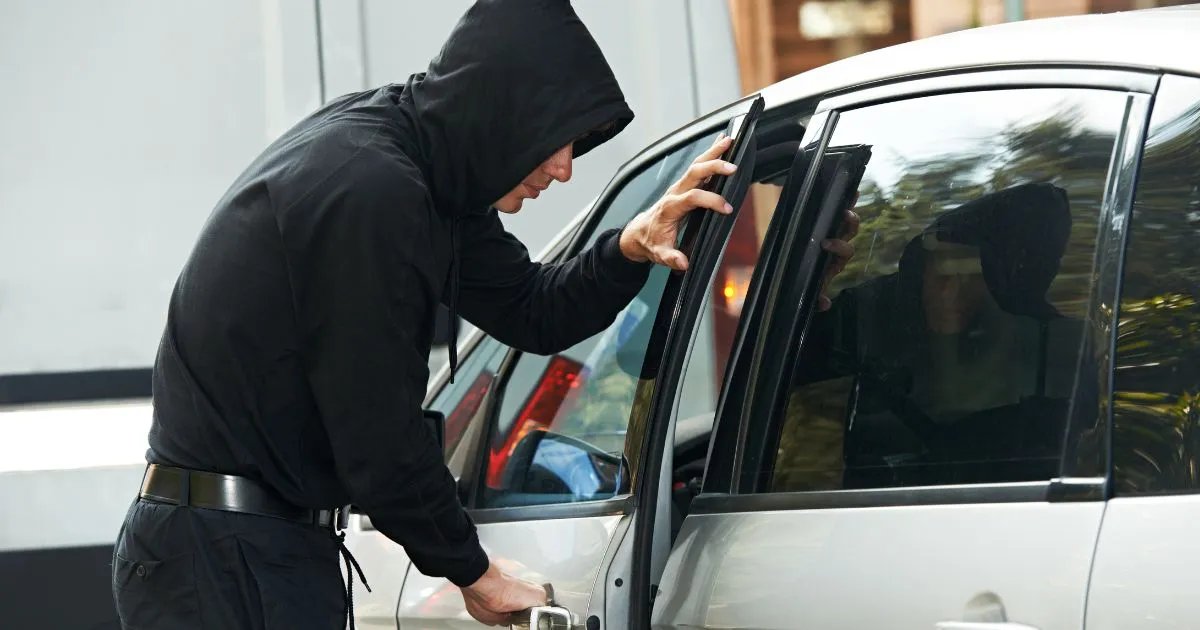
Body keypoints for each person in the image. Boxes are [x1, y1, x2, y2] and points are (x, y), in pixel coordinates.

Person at [110, 1, 856, 629]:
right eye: (557, 139)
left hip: (250, 549)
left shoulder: (424, 177)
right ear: (504, 113)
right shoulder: (373, 191)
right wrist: (473, 572)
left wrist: (632, 245)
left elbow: (533, 310)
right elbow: (379, 437)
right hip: (223, 559)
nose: (564, 168)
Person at [792, 182, 1088, 488]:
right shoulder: (873, 322)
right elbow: (778, 366)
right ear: (920, 271)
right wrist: (809, 290)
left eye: (969, 275)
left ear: (1005, 285)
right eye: (942, 273)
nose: (950, 293)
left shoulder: (1064, 357)